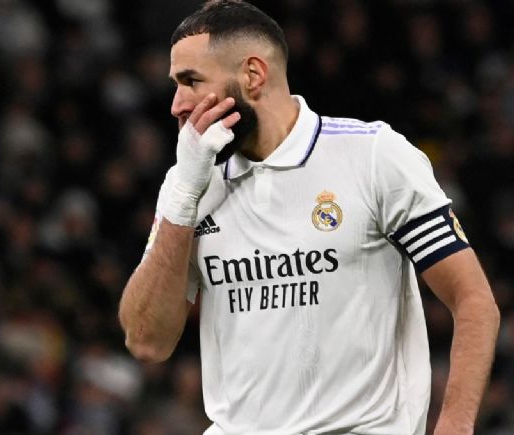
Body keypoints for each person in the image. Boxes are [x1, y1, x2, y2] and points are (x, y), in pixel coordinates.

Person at [117, 1, 500, 434]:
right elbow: (146, 341)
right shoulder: (189, 183)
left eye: (191, 81)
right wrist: (184, 195)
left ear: (253, 75)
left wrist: (455, 423)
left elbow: (473, 300)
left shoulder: (372, 157)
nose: (176, 105)